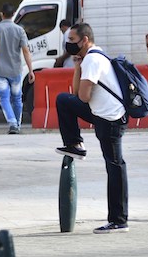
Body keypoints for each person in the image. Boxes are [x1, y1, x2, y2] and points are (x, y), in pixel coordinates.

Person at [55, 23, 129, 233]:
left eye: (72, 40)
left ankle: (118, 220)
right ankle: (75, 144)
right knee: (64, 100)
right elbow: (78, 91)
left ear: (84, 40)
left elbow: (83, 97)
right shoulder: (91, 58)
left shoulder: (94, 60)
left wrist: (83, 66)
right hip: (103, 115)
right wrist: (77, 65)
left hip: (110, 119)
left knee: (115, 167)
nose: (68, 44)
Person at [0, 3, 35, 134]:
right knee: (17, 98)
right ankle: (17, 125)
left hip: (0, 70)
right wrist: (31, 70)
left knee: (4, 99)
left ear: (1, 14)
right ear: (14, 14)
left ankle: (12, 123)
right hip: (16, 70)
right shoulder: (20, 30)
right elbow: (26, 51)